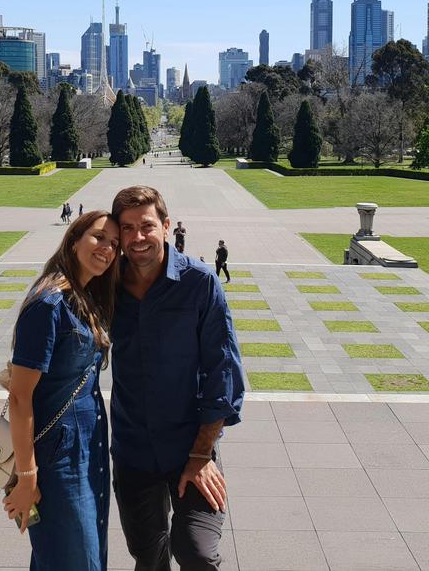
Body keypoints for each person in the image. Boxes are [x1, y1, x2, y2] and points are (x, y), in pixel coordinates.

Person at [110, 185, 244, 570]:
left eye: (147, 226)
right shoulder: (107, 285)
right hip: (133, 449)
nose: (138, 237)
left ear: (166, 226)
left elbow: (224, 370)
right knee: (148, 557)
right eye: (128, 228)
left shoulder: (199, 283)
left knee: (196, 553)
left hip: (191, 446)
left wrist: (202, 454)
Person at [4, 211, 120, 570]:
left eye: (114, 244)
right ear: (73, 240)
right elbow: (20, 397)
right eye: (99, 237)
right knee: (75, 558)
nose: (107, 248)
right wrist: (26, 478)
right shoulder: (49, 304)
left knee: (75, 555)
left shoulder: (85, 296)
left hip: (89, 448)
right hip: (58, 456)